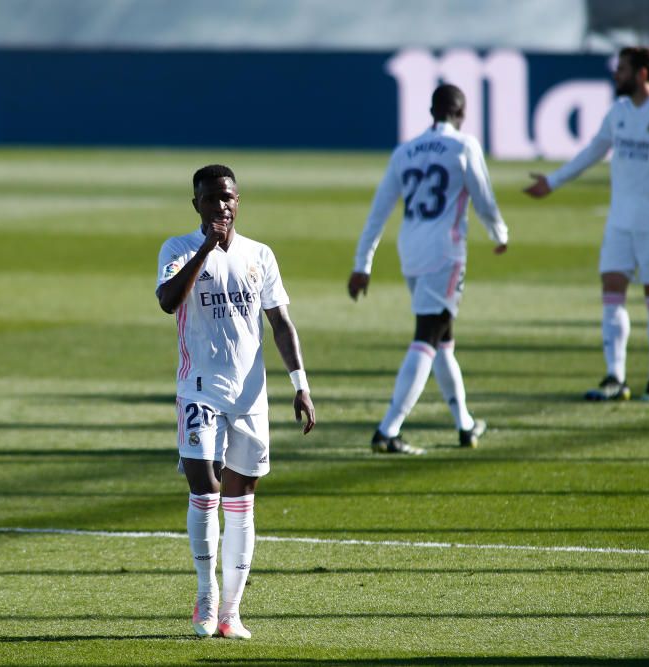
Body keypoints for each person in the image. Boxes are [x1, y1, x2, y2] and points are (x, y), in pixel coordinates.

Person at [156, 164, 316, 640]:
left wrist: (300, 383)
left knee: (241, 499)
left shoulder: (259, 255)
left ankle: (231, 611)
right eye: (210, 199)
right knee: (204, 487)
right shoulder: (178, 249)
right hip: (199, 390)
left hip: (250, 396)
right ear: (196, 205)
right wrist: (206, 247)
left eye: (227, 198)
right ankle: (205, 599)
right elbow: (168, 300)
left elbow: (280, 323)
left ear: (238, 200)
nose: (221, 206)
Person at [524, 46, 649, 403]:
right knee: (612, 290)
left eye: (622, 69)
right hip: (620, 219)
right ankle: (615, 377)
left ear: (642, 73)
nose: (616, 75)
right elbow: (593, 150)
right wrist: (553, 181)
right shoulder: (619, 113)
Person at [348, 83, 508, 454]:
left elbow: (379, 212)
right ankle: (388, 429)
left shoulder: (405, 151)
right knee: (428, 336)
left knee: (443, 339)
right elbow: (483, 196)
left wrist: (363, 263)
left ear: (430, 110)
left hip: (411, 250)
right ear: (462, 114)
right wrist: (499, 232)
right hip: (445, 251)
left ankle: (465, 424)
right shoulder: (464, 145)